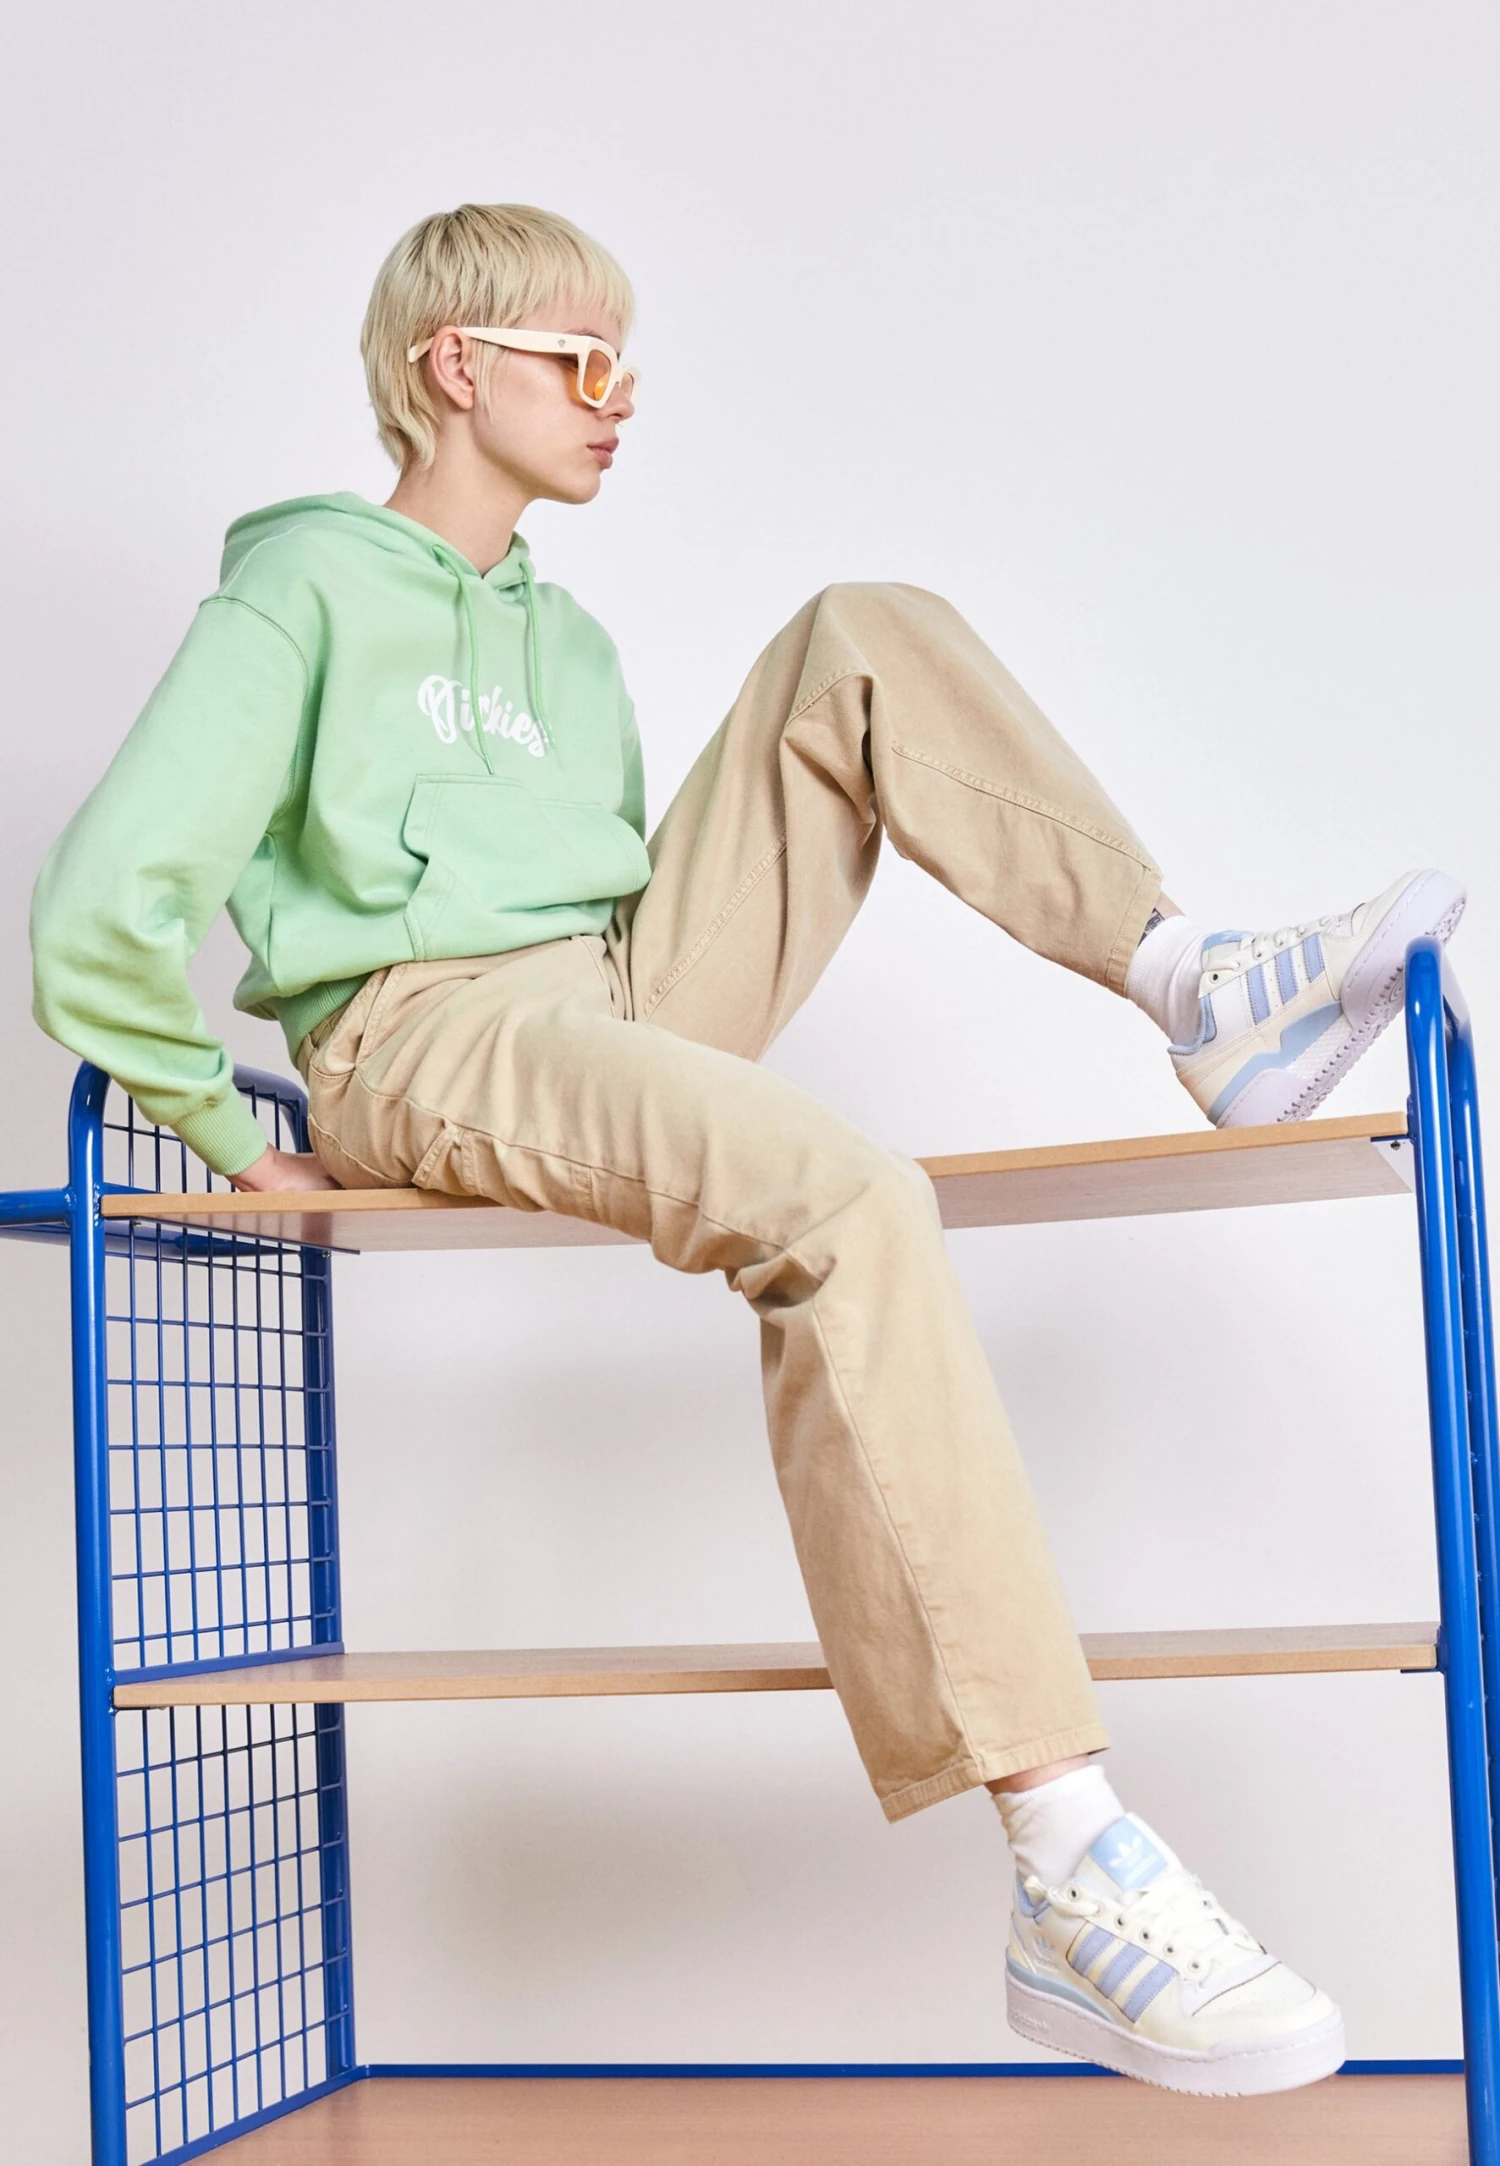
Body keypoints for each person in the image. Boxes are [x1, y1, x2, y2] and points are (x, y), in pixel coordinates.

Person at [29, 202, 1464, 2097]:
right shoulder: (302, 590)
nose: (620, 399)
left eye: (628, 364)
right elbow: (97, 912)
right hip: (427, 1020)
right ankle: (1066, 1857)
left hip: (608, 987)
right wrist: (225, 1127)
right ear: (454, 366)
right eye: (582, 359)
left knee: (860, 629)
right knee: (848, 1194)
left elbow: (622, 927)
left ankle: (1191, 980)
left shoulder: (574, 644)